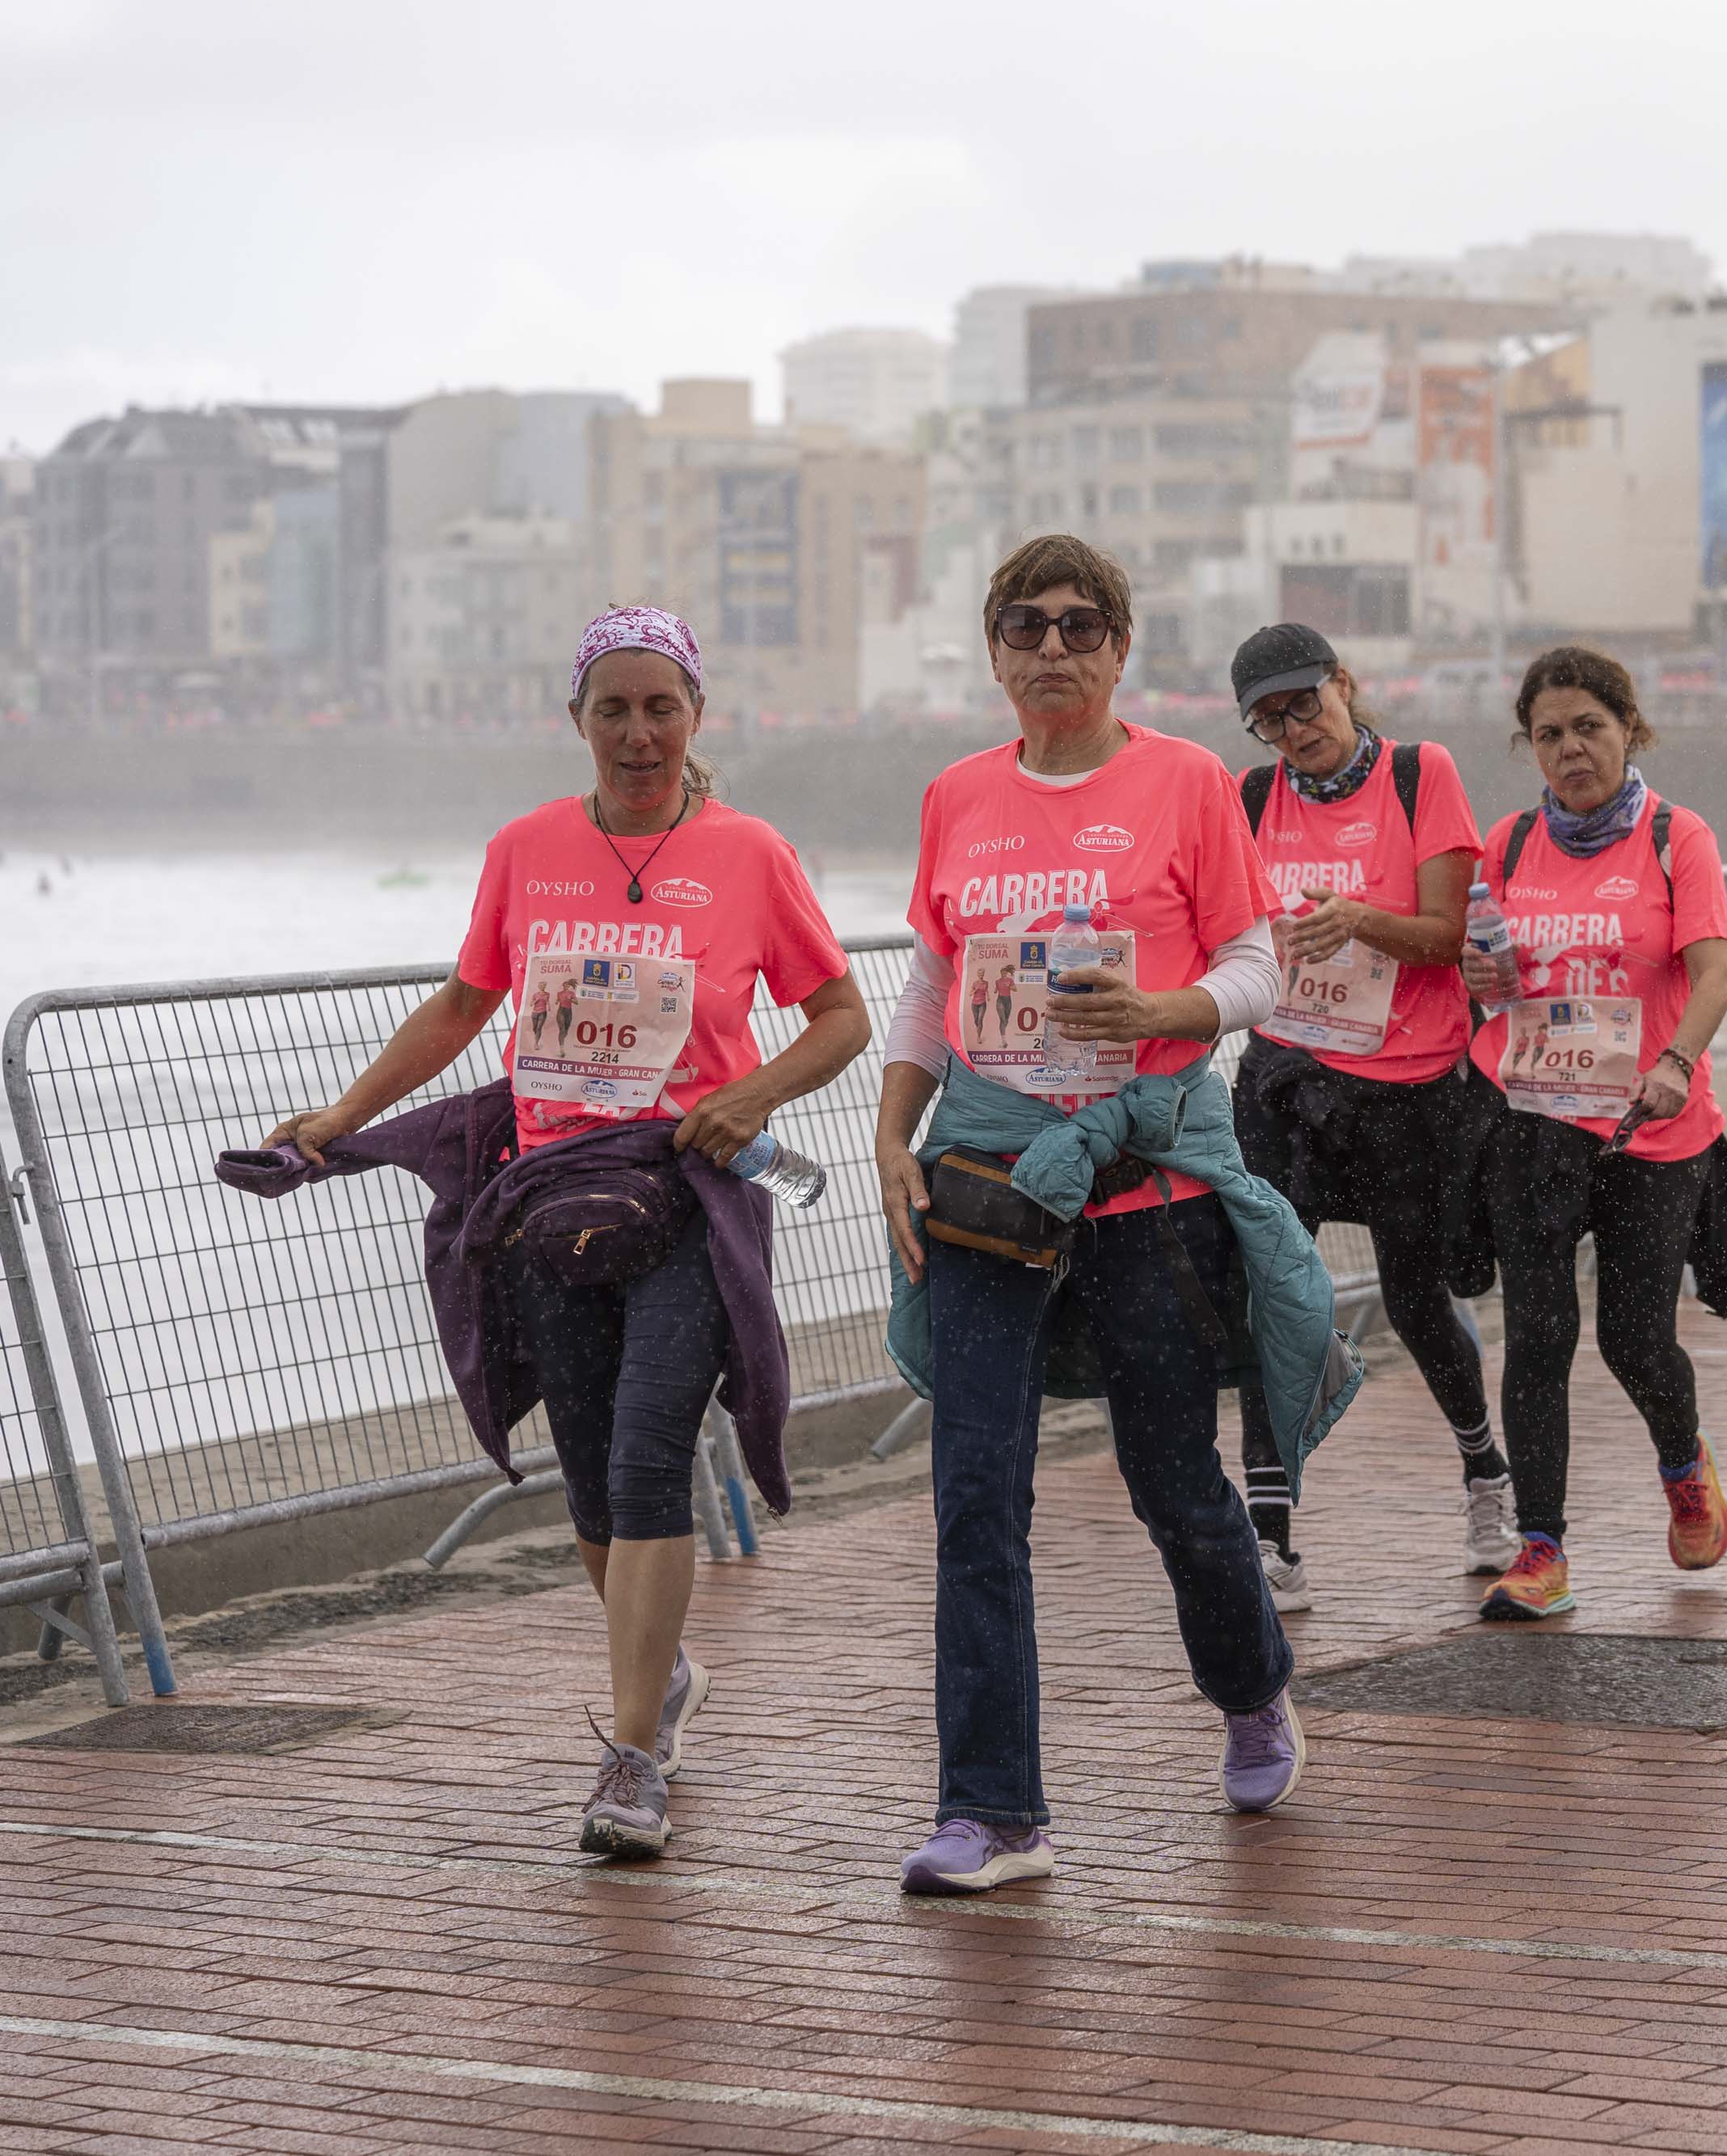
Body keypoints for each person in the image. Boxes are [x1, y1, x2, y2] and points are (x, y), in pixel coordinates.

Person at [255, 605, 868, 1859]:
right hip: (550, 1203)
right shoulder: (526, 849)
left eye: (661, 707)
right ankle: (665, 1673)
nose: (638, 733)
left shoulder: (751, 852)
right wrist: (344, 1112)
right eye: (613, 709)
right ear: (578, 719)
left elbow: (842, 1014)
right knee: (591, 1488)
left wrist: (747, 1095)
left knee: (650, 1461)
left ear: (697, 715)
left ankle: (631, 1754)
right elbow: (460, 1003)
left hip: (691, 1195)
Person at [872, 534, 1309, 1896]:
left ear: (1122, 645)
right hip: (990, 1193)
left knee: (1174, 1486)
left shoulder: (1182, 781)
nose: (1051, 647)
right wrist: (890, 1129)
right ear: (993, 648)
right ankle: (994, 1812)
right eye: (1024, 624)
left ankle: (1249, 1689)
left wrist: (1169, 1013)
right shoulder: (957, 795)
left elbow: (1256, 962)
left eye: (1079, 624)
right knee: (973, 1499)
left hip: (1143, 1186)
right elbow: (935, 982)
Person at [1223, 620, 1511, 1610]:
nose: (1291, 730)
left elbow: (1442, 937)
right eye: (1268, 719)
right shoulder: (1253, 798)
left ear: (1344, 684)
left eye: (1303, 703)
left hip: (1409, 1088)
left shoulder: (1419, 775)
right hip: (1286, 1079)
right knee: (1271, 1293)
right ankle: (1272, 1536)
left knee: (1415, 1299)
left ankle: (1485, 1475)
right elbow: (1222, 930)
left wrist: (1355, 920)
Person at [1459, 646, 1727, 1621]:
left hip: (1650, 1129)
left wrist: (1673, 1066)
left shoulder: (1675, 836)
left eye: (1588, 727)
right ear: (1528, 747)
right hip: (1534, 1122)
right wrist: (1481, 979)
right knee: (1537, 1335)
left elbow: (1710, 973)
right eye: (1548, 735)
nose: (1570, 750)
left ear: (1628, 728)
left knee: (1633, 1339)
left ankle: (1682, 1461)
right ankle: (1542, 1552)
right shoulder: (1505, 845)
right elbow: (1484, 976)